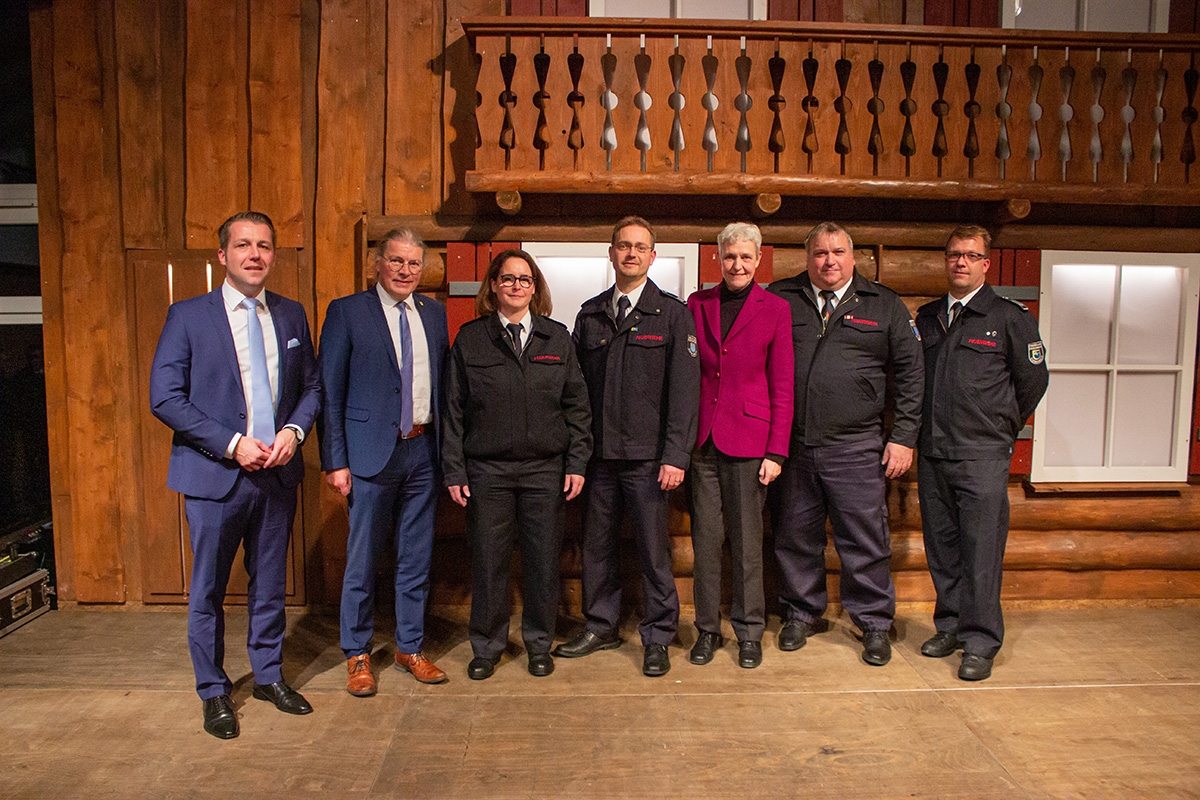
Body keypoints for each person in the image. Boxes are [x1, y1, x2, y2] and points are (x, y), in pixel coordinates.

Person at [149, 211, 321, 739]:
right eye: (243, 245)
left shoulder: (291, 316)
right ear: (222, 255)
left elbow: (312, 388)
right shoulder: (188, 317)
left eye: (264, 246)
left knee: (269, 586)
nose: (255, 254)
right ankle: (213, 690)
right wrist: (231, 444)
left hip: (276, 476)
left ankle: (268, 676)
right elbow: (165, 397)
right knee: (209, 590)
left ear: (273, 255)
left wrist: (293, 431)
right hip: (214, 476)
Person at [768, 221, 923, 667]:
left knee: (865, 539)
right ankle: (800, 613)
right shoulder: (781, 298)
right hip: (794, 445)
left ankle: (873, 622)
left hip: (856, 447)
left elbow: (912, 375)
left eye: (837, 252)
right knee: (795, 536)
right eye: (819, 253)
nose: (829, 261)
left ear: (853, 257)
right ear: (808, 258)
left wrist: (904, 437)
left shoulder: (884, 304)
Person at [554, 216, 700, 677]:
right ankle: (601, 626)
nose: (631, 253)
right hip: (599, 459)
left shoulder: (673, 314)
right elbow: (575, 393)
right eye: (623, 246)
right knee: (596, 547)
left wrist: (676, 455)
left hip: (648, 459)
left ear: (652, 257)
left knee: (653, 551)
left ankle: (658, 634)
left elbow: (684, 392)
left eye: (640, 247)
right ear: (612, 253)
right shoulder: (590, 313)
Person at [443, 249, 592, 680]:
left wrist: (577, 462)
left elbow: (577, 408)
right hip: (486, 472)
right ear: (493, 286)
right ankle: (487, 646)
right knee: (489, 561)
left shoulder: (556, 338)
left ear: (535, 288)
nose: (516, 286)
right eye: (507, 279)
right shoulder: (470, 340)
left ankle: (539, 644)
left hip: (545, 471)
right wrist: (454, 469)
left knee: (543, 561)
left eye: (525, 280)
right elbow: (453, 411)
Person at [914, 225, 1049, 681]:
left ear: (986, 264)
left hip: (982, 455)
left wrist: (1002, 427)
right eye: (954, 254)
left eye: (971, 256)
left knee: (981, 550)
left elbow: (1033, 380)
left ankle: (980, 640)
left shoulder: (1009, 317)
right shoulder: (929, 316)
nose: (960, 262)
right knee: (943, 547)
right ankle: (950, 625)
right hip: (933, 451)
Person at [319, 228, 450, 695]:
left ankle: (408, 646)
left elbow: (443, 389)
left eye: (413, 264)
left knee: (415, 558)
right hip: (369, 455)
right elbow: (329, 391)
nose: (405, 270)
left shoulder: (434, 315)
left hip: (423, 451)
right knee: (363, 559)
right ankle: (356, 653)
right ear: (378, 263)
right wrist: (335, 460)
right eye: (396, 261)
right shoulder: (348, 311)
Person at [686, 222, 793, 670]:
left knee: (748, 544)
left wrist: (776, 451)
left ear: (758, 259)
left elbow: (783, 383)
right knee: (706, 541)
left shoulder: (775, 309)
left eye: (746, 257)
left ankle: (749, 632)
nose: (738, 264)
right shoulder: (697, 303)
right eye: (730, 256)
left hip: (751, 442)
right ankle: (708, 630)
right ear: (718, 258)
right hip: (703, 441)